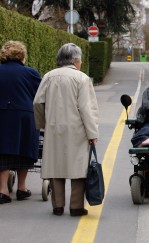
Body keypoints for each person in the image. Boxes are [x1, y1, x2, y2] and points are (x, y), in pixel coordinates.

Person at [33, 43, 99, 216]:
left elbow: (37, 102)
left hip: (53, 128)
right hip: (77, 129)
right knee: (78, 168)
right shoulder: (82, 78)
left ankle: (58, 206)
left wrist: (43, 124)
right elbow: (86, 108)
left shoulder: (48, 76)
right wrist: (93, 133)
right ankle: (76, 206)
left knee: (56, 165)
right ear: (76, 60)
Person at [0, 40, 42, 204]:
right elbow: (39, 95)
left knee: (2, 151)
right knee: (24, 149)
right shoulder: (31, 73)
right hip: (25, 117)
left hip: (2, 115)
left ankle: (3, 190)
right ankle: (22, 188)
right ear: (22, 55)